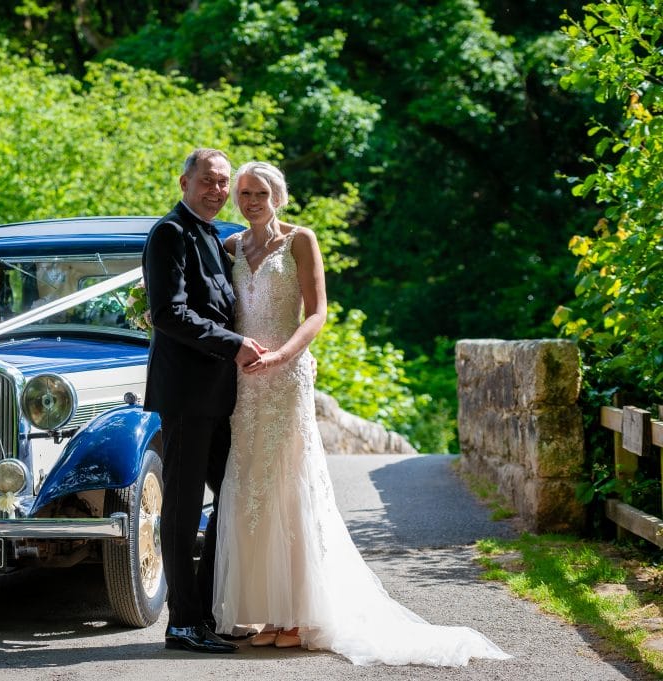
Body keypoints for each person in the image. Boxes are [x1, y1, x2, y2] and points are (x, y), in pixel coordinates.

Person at [211, 161, 512, 666]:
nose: (250, 200)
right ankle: (264, 610)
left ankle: (299, 615)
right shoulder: (230, 247)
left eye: (259, 191)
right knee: (251, 487)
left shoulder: (300, 240)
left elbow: (318, 312)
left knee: (289, 483)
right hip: (245, 381)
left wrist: (284, 355)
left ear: (278, 195)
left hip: (285, 378)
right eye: (243, 193)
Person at [142, 148, 266, 654]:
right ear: (184, 182)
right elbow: (167, 313)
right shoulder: (169, 233)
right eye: (208, 182)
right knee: (183, 506)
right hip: (187, 395)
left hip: (219, 396)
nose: (216, 191)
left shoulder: (215, 237)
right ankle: (182, 623)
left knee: (233, 495)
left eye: (223, 183)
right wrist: (234, 345)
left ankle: (208, 608)